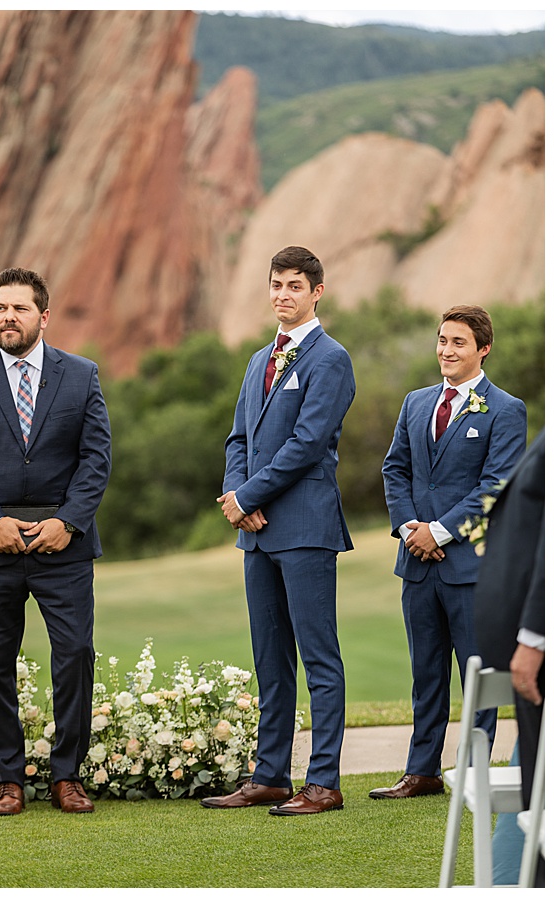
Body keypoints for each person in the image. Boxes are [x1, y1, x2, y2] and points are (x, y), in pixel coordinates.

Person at [202, 246, 355, 816]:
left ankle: (324, 783)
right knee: (270, 658)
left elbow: (307, 444)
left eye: (295, 285)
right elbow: (237, 438)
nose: (283, 294)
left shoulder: (331, 358)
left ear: (317, 292)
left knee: (319, 656)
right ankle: (269, 775)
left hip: (306, 527)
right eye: (276, 285)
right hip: (257, 531)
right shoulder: (257, 360)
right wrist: (238, 498)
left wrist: (250, 495)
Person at [0, 267, 112, 816]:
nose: (8, 317)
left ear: (42, 316)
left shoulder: (81, 374)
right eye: (1, 307)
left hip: (63, 544)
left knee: (74, 655)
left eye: (20, 309)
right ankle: (8, 779)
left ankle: (67, 776)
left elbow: (96, 458)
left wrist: (67, 522)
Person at [372, 306, 527, 799]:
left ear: (482, 349)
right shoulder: (415, 403)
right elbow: (394, 469)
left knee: (476, 675)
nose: (446, 350)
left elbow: (497, 485)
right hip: (416, 565)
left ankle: (474, 772)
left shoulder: (505, 409)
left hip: (470, 567)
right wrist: (408, 527)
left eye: (458, 342)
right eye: (442, 340)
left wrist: (440, 532)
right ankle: (422, 772)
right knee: (425, 672)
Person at [473, 430, 546, 886]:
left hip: (532, 660)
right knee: (535, 790)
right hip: (523, 654)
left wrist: (533, 638)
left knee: (540, 801)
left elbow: (541, 547)